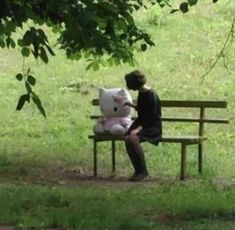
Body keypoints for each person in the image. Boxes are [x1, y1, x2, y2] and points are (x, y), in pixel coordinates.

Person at [123, 70, 162, 181]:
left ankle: (143, 171)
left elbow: (152, 116)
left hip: (152, 126)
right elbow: (143, 109)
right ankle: (137, 170)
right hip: (143, 123)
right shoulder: (142, 92)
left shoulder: (150, 94)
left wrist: (139, 129)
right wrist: (132, 105)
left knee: (133, 138)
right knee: (127, 138)